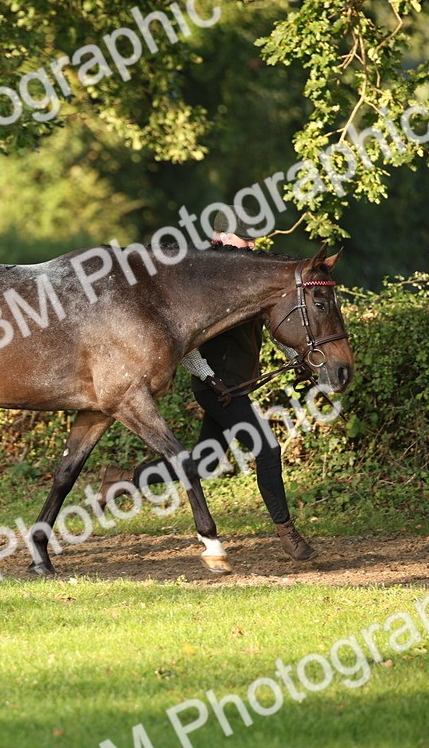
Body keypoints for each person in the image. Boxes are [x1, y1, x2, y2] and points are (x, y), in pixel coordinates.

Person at [95, 231, 316, 561]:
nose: (254, 246)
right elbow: (183, 339)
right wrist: (209, 377)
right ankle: (288, 534)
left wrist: (294, 356)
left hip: (236, 385)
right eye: (247, 239)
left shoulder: (250, 277)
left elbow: (272, 325)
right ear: (223, 236)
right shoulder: (202, 278)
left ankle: (122, 479)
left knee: (204, 463)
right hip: (218, 390)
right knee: (267, 450)